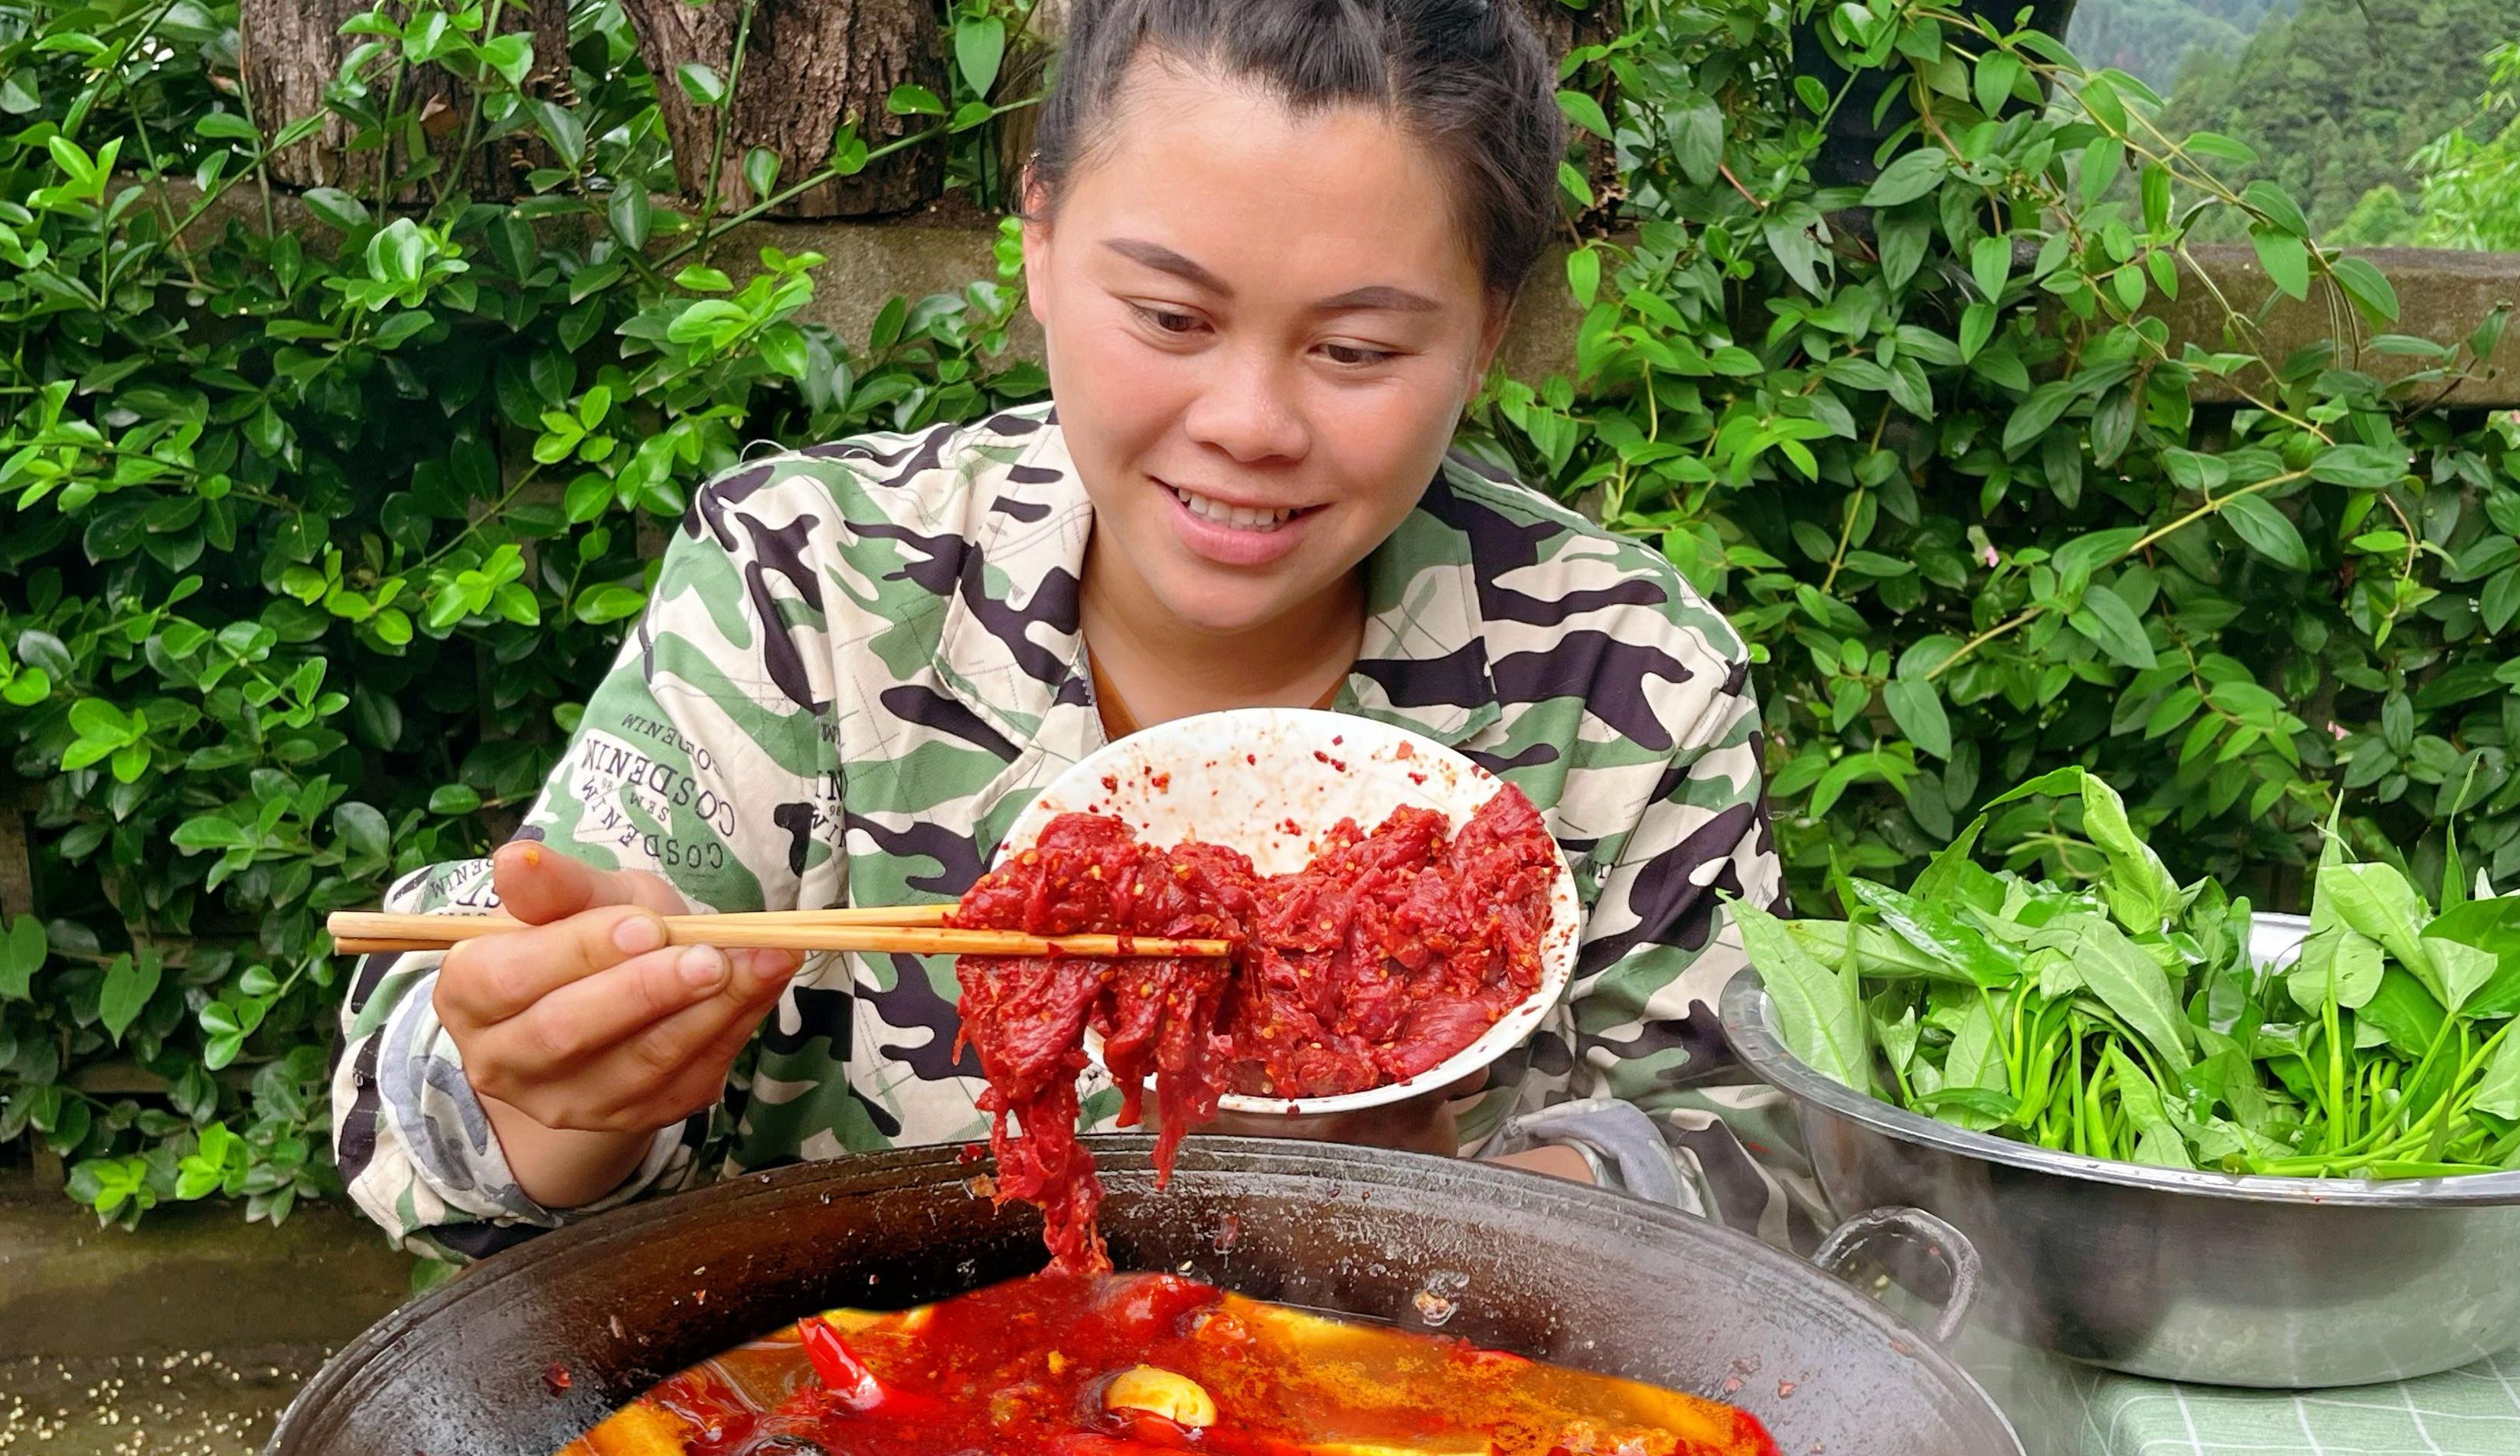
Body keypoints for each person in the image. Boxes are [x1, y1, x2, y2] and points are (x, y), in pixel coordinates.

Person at [333, 0, 1816, 1262]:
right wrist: (535, 1102)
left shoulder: (1628, 683)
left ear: (1486, 332)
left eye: (1355, 350)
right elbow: (408, 1076)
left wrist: (1460, 1215)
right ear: (1037, 242)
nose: (1246, 426)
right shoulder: (812, 594)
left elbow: (1758, 1169)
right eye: (1168, 318)